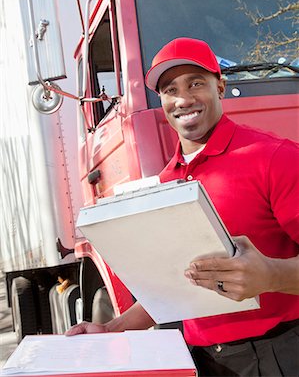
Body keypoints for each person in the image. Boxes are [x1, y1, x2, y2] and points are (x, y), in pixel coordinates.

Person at [66, 38, 299, 377]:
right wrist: (111, 329)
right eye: (170, 89)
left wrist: (271, 276)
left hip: (281, 353)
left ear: (220, 87)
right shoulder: (165, 185)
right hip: (203, 361)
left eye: (196, 83)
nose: (183, 99)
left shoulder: (276, 158)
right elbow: (172, 285)